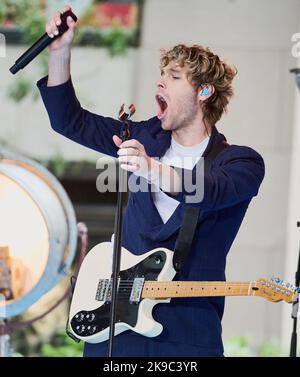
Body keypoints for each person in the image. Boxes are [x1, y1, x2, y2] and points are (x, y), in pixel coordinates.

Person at [36, 5, 265, 357]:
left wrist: (149, 168)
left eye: (174, 77)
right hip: (114, 332)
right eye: (161, 74)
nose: (160, 81)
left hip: (187, 335)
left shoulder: (240, 161)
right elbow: (70, 121)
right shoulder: (144, 136)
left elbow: (209, 190)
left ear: (204, 92)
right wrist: (60, 51)